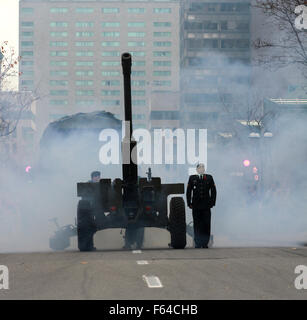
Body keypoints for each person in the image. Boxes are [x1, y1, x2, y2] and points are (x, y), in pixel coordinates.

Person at [186, 163, 217, 248]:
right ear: (197, 169)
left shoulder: (209, 177)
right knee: (197, 225)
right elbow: (189, 191)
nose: (201, 169)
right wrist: (189, 203)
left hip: (206, 206)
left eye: (203, 167)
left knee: (206, 225)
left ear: (204, 169)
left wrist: (212, 202)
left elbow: (213, 191)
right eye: (199, 167)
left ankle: (205, 243)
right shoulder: (192, 178)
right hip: (196, 206)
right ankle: (198, 242)